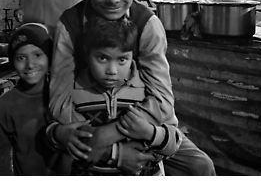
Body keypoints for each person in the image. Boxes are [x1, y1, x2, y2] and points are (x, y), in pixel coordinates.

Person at [49, 0, 215, 176]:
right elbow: (59, 101)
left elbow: (161, 99)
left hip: (142, 122)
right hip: (87, 121)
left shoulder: (147, 24)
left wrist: (110, 135)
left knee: (201, 167)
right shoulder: (70, 24)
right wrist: (109, 150)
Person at [48, 16, 182, 175]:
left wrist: (150, 133)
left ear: (133, 57)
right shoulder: (76, 92)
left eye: (122, 59)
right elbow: (71, 142)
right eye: (102, 58)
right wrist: (116, 154)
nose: (112, 70)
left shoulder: (148, 92)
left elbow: (173, 143)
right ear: (87, 55)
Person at [0, 23, 69, 175]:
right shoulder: (6, 105)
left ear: (49, 58)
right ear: (13, 62)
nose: (30, 65)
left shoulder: (62, 95)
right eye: (21, 58)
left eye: (37, 55)